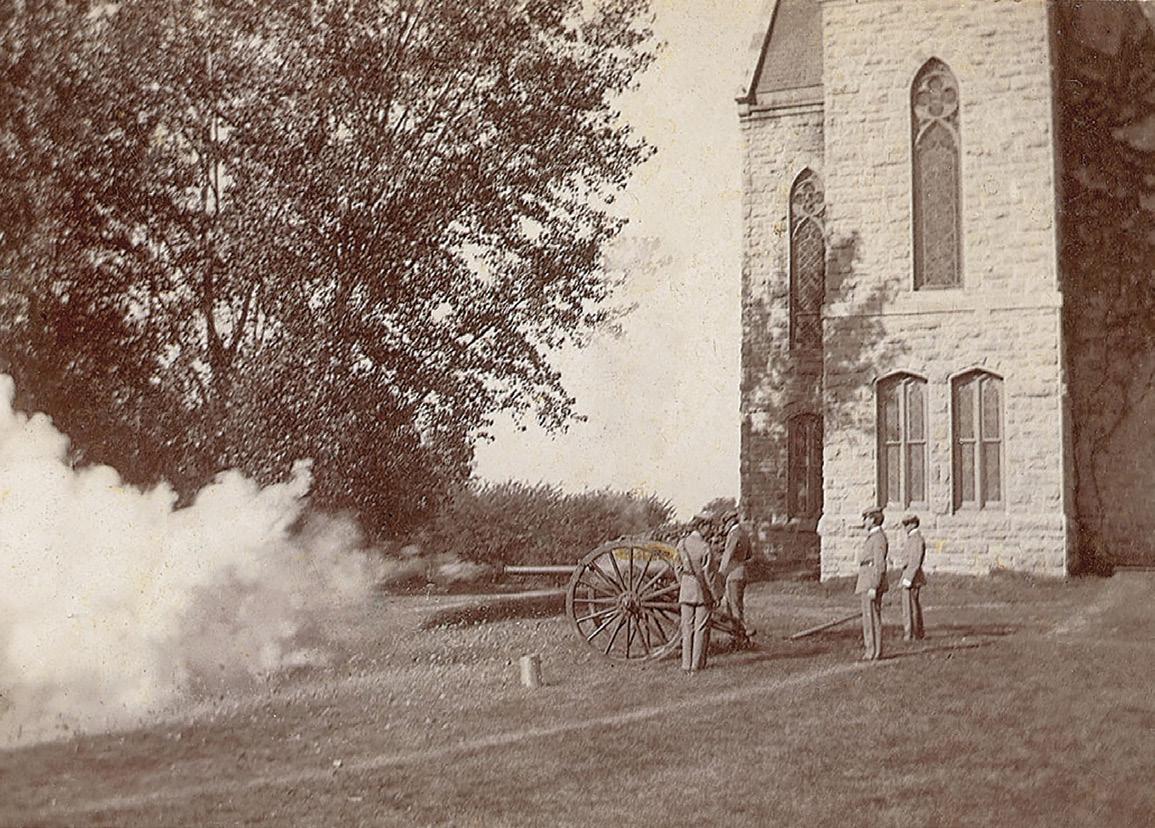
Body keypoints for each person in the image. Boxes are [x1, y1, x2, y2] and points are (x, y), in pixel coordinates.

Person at [677, 511, 719, 673]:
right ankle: (696, 665)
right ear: (702, 526)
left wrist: (684, 583)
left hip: (686, 591)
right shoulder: (705, 547)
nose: (711, 530)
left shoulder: (681, 544)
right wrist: (716, 595)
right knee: (701, 629)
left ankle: (685, 665)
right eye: (709, 526)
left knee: (687, 628)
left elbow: (677, 568)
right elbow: (710, 575)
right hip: (702, 592)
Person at [856, 506, 888, 661]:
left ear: (874, 519)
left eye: (866, 518)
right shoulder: (873, 537)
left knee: (872, 617)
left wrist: (874, 585)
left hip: (871, 581)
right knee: (868, 616)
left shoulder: (878, 538)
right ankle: (871, 649)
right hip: (866, 579)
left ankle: (874, 651)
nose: (864, 521)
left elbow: (879, 564)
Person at [718, 508, 754, 639]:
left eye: (726, 523)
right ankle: (738, 636)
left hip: (732, 574)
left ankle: (742, 634)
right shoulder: (744, 533)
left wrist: (721, 573)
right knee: (737, 604)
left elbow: (728, 554)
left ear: (730, 521)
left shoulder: (734, 534)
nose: (725, 526)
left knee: (734, 607)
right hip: (742, 572)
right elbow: (750, 554)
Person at [900, 514, 927, 640]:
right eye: (904, 524)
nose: (905, 527)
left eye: (907, 524)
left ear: (914, 524)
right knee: (912, 605)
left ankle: (911, 633)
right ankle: (916, 633)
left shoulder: (916, 539)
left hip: (912, 577)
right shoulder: (913, 538)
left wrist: (908, 579)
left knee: (910, 607)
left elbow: (915, 561)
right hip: (910, 575)